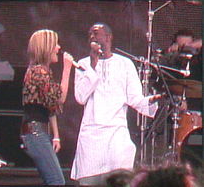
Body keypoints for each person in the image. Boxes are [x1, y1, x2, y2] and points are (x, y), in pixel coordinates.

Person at [71, 22, 161, 186]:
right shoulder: (83, 64)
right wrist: (93, 64)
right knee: (90, 182)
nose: (92, 36)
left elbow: (135, 98)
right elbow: (80, 97)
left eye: (96, 33)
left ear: (108, 37)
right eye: (90, 34)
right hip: (91, 134)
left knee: (119, 180)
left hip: (116, 132)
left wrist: (151, 101)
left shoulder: (125, 64)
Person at [21, 29, 73, 185]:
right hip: (35, 132)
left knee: (53, 180)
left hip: (38, 131)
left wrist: (56, 135)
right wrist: (67, 68)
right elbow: (60, 98)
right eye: (55, 44)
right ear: (46, 47)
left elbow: (52, 106)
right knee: (56, 181)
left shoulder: (43, 71)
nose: (58, 48)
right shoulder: (39, 72)